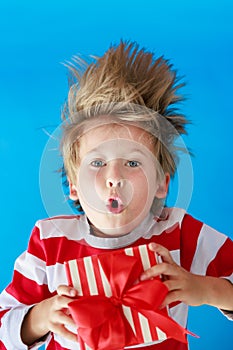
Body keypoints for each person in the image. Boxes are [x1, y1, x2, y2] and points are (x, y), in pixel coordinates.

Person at [0, 41, 233, 350]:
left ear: (161, 185)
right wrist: (39, 318)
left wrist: (206, 290)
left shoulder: (180, 233)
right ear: (73, 186)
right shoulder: (49, 242)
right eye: (98, 163)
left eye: (133, 163)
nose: (114, 178)